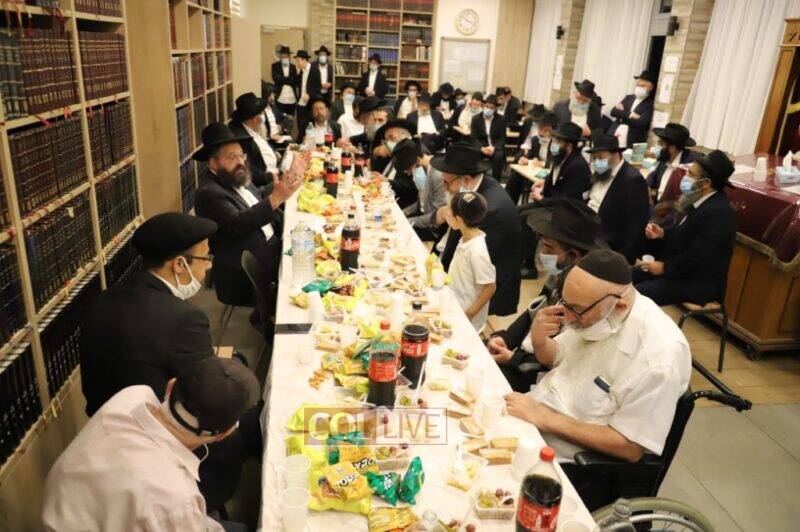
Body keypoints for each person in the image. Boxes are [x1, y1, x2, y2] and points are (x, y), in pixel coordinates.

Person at [79, 212, 262, 512]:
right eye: (205, 258)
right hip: (160, 449)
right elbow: (211, 395)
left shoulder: (102, 300)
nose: (210, 265)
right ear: (179, 264)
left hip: (105, 435)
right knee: (259, 417)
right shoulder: (183, 318)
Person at [504, 250, 691, 509]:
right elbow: (556, 357)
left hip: (571, 460)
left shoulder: (658, 359)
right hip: (536, 418)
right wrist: (539, 340)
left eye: (576, 311)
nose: (567, 317)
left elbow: (630, 447)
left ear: (618, 306)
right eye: (565, 304)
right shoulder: (597, 313)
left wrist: (544, 417)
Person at [44, 357, 260, 532]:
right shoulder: (175, 500)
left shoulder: (133, 396)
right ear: (224, 434)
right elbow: (173, 513)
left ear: (170, 386)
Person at [488, 198, 606, 392]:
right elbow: (533, 311)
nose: (542, 253)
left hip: (538, 379)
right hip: (520, 357)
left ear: (574, 255)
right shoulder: (559, 274)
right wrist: (507, 339)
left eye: (549, 248)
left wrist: (513, 359)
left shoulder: (586, 300)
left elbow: (562, 359)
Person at [194, 123, 306, 310]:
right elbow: (237, 222)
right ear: (213, 163)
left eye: (241, 155)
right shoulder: (209, 193)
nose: (240, 162)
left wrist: (288, 178)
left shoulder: (233, 176)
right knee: (309, 272)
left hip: (272, 247)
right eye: (232, 157)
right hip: (248, 268)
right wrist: (276, 198)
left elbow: (259, 197)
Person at [634, 149, 737, 306]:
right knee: (627, 275)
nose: (685, 177)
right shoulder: (701, 201)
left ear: (706, 183)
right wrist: (662, 233)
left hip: (698, 283)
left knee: (637, 295)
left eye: (691, 174)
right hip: (680, 272)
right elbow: (684, 232)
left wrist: (664, 268)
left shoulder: (718, 213)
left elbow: (697, 256)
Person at [432, 141, 521, 316]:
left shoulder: (486, 208)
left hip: (481, 291)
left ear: (466, 179)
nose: (444, 186)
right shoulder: (474, 190)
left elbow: (460, 254)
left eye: (447, 182)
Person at [585, 134, 650, 264]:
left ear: (615, 154)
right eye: (595, 158)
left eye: (600, 157)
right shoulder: (600, 174)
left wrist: (621, 261)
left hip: (609, 247)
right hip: (587, 234)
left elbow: (636, 228)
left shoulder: (632, 180)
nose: (597, 162)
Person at [446, 192, 497, 331]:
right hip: (456, 306)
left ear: (458, 219)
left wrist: (469, 314)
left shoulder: (477, 251)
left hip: (466, 317)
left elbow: (490, 287)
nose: (447, 215)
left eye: (449, 213)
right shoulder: (467, 239)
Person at [228, 92, 279, 189]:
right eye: (262, 114)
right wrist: (270, 177)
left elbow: (263, 144)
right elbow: (248, 168)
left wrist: (275, 153)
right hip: (264, 184)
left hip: (274, 172)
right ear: (255, 118)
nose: (263, 118)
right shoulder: (240, 137)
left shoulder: (252, 128)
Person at [506, 110, 558, 205]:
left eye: (546, 130)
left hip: (550, 176)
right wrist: (524, 158)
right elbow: (529, 155)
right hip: (536, 172)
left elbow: (556, 163)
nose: (541, 133)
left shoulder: (557, 144)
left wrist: (542, 164)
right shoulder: (535, 139)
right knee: (515, 176)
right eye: (540, 129)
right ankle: (509, 205)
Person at [532, 121, 591, 202]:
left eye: (558, 141)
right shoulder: (560, 157)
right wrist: (544, 181)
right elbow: (555, 177)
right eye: (554, 140)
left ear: (569, 146)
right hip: (551, 202)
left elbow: (568, 199)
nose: (553, 144)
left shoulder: (577, 166)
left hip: (563, 208)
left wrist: (541, 199)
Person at [372, 119, 418, 208]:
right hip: (379, 197)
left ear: (405, 136)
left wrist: (387, 181)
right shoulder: (391, 151)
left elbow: (413, 185)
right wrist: (375, 153)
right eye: (386, 139)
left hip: (399, 204)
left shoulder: (414, 153)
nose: (388, 142)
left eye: (391, 138)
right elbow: (375, 169)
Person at [646, 122, 697, 204]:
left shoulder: (689, 167)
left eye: (661, 144)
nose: (658, 147)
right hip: (657, 205)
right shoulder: (663, 158)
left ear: (672, 148)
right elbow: (651, 179)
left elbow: (686, 195)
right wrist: (648, 189)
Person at [405, 148, 447, 241]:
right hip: (426, 218)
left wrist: (409, 221)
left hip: (434, 229)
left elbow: (436, 216)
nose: (409, 174)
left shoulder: (437, 175)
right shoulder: (425, 170)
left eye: (409, 170)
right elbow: (422, 201)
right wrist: (405, 212)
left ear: (418, 161)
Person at [608, 70, 656, 147]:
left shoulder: (650, 104)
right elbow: (613, 112)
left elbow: (641, 123)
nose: (639, 87)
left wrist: (622, 115)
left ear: (650, 87)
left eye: (643, 86)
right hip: (614, 136)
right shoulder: (628, 98)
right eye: (638, 85)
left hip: (633, 141)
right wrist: (631, 114)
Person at [470, 93, 506, 181]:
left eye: (491, 108)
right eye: (487, 106)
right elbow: (474, 138)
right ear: (483, 106)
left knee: (499, 156)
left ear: (495, 109)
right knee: (474, 153)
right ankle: (478, 179)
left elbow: (502, 138)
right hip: (482, 146)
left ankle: (496, 181)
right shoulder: (476, 118)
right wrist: (482, 148)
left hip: (495, 147)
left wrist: (494, 148)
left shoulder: (501, 119)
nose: (488, 109)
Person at [261, 85, 292, 150]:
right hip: (270, 140)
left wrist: (280, 126)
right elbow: (263, 131)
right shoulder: (261, 112)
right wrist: (272, 136)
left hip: (279, 135)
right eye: (272, 94)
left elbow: (285, 118)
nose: (274, 96)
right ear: (267, 95)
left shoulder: (273, 108)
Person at [271, 45, 297, 116]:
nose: (285, 58)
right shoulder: (275, 66)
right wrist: (289, 79)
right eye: (283, 56)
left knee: (291, 118)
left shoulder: (293, 67)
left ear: (289, 57)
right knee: (280, 117)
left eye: (286, 57)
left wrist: (282, 78)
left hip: (292, 98)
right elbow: (275, 79)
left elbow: (294, 81)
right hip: (280, 97)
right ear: (280, 57)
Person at [293, 50, 314, 136]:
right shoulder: (301, 71)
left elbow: (318, 87)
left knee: (308, 129)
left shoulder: (314, 70)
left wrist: (309, 95)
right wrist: (298, 73)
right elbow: (296, 83)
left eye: (298, 61)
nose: (297, 63)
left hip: (310, 104)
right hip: (300, 103)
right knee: (300, 128)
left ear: (304, 60)